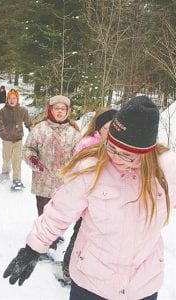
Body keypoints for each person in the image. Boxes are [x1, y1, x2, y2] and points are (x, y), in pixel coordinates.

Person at [3, 95, 176, 300]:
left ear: (146, 152)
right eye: (111, 146)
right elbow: (60, 211)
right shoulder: (91, 167)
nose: (114, 156)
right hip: (91, 283)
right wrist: (33, 248)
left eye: (126, 155)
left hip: (142, 285)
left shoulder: (167, 169)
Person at [62, 107, 118, 283]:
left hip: (106, 204)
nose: (111, 132)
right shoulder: (87, 145)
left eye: (114, 128)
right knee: (80, 234)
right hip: (87, 202)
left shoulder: (118, 147)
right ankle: (67, 267)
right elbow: (76, 173)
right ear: (98, 129)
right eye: (107, 128)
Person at [22, 95, 81, 248]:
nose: (60, 112)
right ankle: (43, 244)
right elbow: (28, 148)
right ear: (50, 109)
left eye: (63, 109)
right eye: (56, 108)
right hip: (43, 181)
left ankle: (53, 237)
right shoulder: (40, 129)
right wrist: (33, 159)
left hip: (63, 183)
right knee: (43, 213)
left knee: (59, 214)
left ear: (68, 111)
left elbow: (80, 155)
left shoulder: (74, 133)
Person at [0, 89, 32, 190]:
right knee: (6, 158)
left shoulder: (23, 111)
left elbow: (29, 123)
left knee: (17, 160)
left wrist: (32, 131)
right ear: (7, 99)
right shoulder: (3, 111)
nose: (12, 100)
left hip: (18, 140)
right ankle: (5, 172)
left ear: (17, 99)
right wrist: (2, 132)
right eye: (10, 98)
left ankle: (17, 180)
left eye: (14, 98)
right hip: (7, 139)